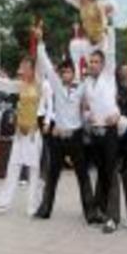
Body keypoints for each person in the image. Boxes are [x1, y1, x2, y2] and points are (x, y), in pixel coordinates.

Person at [33, 33, 99, 223]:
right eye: (63, 72)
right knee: (52, 176)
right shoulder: (56, 85)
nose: (66, 75)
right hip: (59, 137)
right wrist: (40, 42)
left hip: (76, 136)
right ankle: (45, 209)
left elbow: (93, 96)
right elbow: (45, 63)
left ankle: (91, 212)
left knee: (83, 176)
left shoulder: (81, 87)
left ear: (74, 73)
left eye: (69, 72)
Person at [0, 56, 47, 217]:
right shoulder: (20, 85)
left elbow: (44, 109)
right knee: (13, 167)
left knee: (34, 170)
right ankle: (3, 204)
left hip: (34, 132)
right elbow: (5, 85)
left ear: (33, 69)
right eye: (22, 66)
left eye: (26, 66)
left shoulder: (41, 85)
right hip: (20, 132)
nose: (22, 70)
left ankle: (33, 205)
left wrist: (37, 125)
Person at [82, 29, 126, 234]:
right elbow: (82, 106)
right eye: (90, 62)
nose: (92, 65)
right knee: (101, 173)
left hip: (109, 132)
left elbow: (111, 53)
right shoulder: (87, 83)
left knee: (111, 173)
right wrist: (86, 116)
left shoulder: (108, 77)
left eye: (96, 62)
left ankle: (113, 218)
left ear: (103, 64)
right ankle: (100, 210)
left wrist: (106, 30)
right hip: (95, 133)